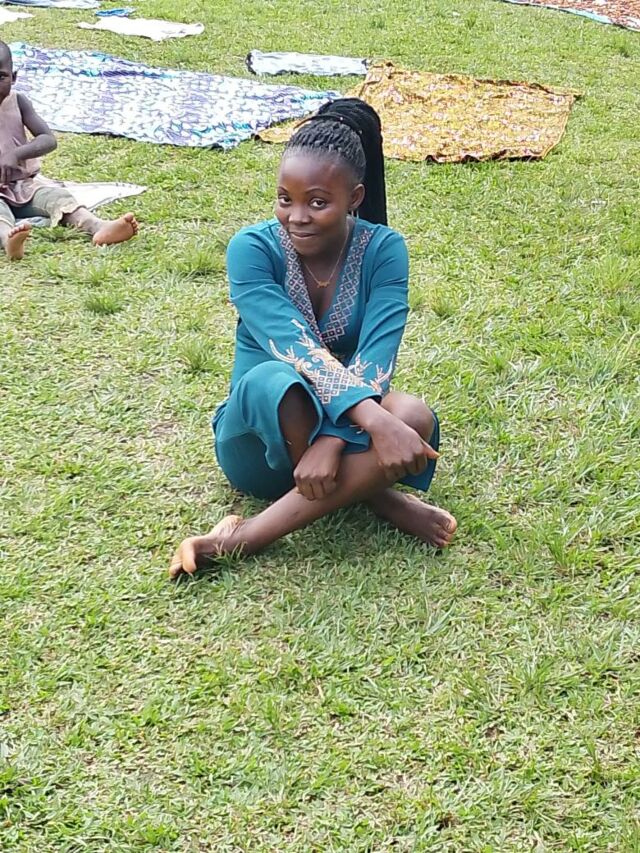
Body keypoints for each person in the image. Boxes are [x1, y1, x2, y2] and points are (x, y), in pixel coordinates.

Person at [170, 98, 457, 578]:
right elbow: (297, 348)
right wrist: (367, 427)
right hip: (260, 435)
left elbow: (377, 357)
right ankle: (377, 498)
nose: (297, 216)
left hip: (339, 434)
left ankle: (240, 537)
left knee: (411, 416)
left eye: (318, 202)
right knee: (276, 378)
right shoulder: (252, 249)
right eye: (285, 199)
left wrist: (334, 437)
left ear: (355, 197)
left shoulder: (384, 250)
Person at [0, 41, 138, 261]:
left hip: (25, 186)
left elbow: (48, 139)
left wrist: (16, 154)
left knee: (59, 198)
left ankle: (98, 226)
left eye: (1, 77)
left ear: (14, 77)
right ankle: (9, 241)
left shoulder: (18, 102)